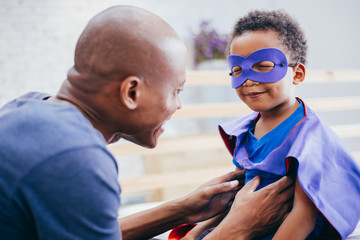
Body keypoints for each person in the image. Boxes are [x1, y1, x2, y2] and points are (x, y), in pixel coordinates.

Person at [0, 5, 296, 240]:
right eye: (175, 91)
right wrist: (238, 229)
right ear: (132, 92)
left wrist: (182, 210)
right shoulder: (74, 158)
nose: (178, 105)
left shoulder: (29, 108)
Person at [181, 10, 360, 240]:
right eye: (238, 70)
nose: (249, 80)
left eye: (263, 66)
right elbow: (238, 199)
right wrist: (195, 234)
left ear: (297, 74)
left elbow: (303, 215)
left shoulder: (308, 139)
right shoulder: (245, 132)